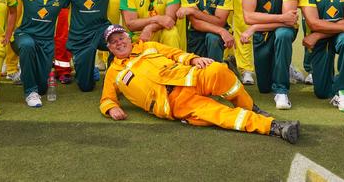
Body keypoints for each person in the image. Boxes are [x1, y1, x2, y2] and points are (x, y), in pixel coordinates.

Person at [100, 24, 301, 144]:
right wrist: (111, 109)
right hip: (174, 103)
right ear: (109, 48)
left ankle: (250, 107)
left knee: (219, 70)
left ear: (128, 37)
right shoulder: (113, 72)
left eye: (121, 37)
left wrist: (194, 59)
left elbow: (176, 54)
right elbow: (106, 99)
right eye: (113, 42)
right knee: (219, 114)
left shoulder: (148, 46)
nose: (119, 43)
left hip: (188, 76)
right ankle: (275, 127)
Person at [241, 0, 298, 110]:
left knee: (283, 35)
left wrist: (254, 26)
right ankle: (282, 68)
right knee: (264, 87)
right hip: (262, 31)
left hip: (283, 30)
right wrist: (257, 27)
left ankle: (281, 90)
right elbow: (248, 17)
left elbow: (291, 21)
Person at [61, 0, 124, 92]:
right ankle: (88, 69)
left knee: (119, 38)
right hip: (80, 35)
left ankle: (113, 77)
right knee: (86, 86)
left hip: (101, 29)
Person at [13, 0, 70, 107]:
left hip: (46, 41)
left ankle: (26, 74)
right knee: (27, 46)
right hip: (24, 35)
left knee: (43, 89)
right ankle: (30, 92)